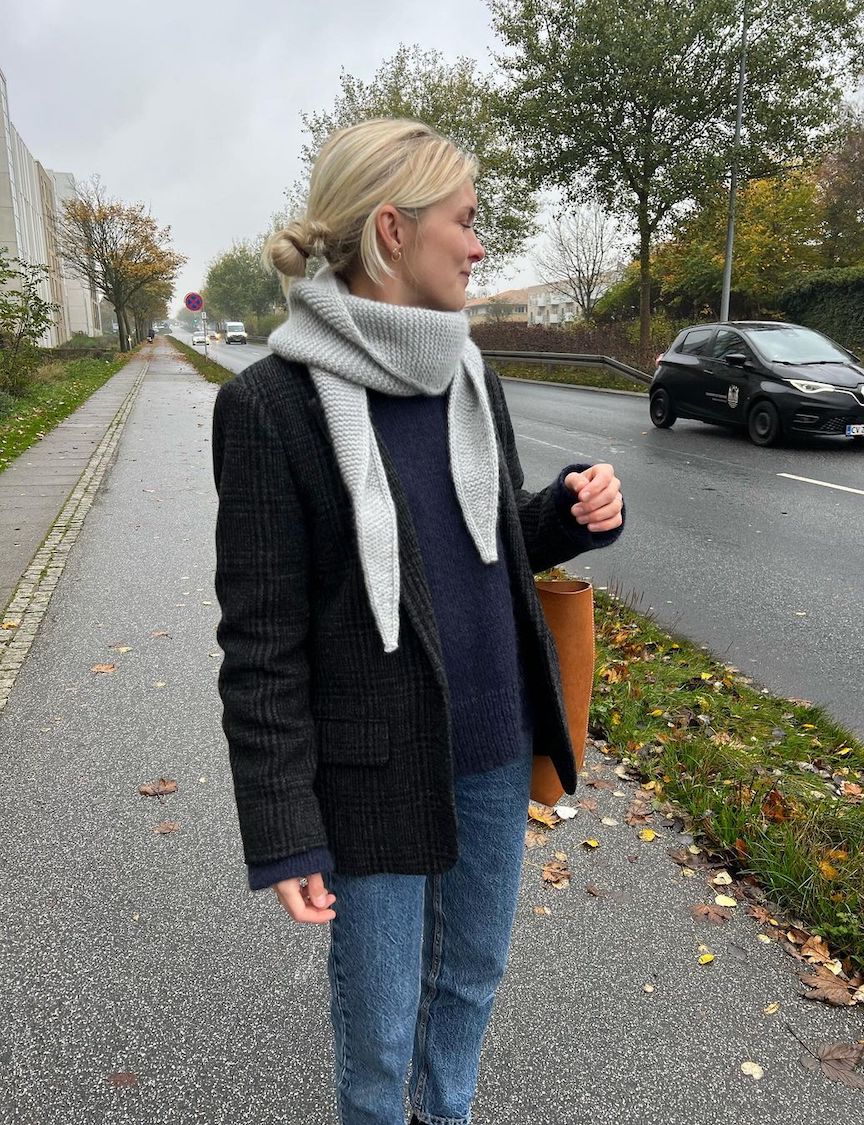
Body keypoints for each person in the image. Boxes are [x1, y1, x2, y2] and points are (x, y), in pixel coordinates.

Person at [212, 118, 625, 1125]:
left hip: (491, 743)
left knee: (471, 978)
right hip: (372, 765)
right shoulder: (270, 406)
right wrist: (284, 826)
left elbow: (489, 541)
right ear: (392, 232)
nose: (480, 246)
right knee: (381, 1023)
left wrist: (567, 514)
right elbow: (260, 644)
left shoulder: (471, 376)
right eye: (467, 222)